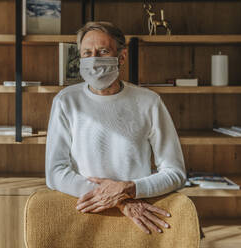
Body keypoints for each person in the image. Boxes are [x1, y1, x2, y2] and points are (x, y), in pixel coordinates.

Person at [45, 21, 186, 235]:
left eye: (102, 51)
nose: (94, 60)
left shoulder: (149, 102)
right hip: (87, 213)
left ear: (121, 57)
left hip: (140, 219)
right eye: (87, 53)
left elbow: (175, 172)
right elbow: (55, 173)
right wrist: (119, 201)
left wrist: (129, 189)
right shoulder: (66, 101)